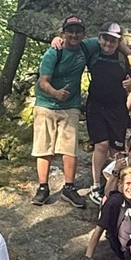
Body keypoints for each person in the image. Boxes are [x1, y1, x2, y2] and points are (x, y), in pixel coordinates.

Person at [32, 15, 92, 209]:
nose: (74, 35)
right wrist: (55, 93)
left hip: (70, 106)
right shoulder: (53, 53)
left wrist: (128, 53)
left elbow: (111, 40)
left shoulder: (86, 47)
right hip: (46, 104)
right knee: (44, 147)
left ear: (83, 34)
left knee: (69, 147)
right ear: (63, 33)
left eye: (78, 31)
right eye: (70, 31)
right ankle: (43, 187)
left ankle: (69, 187)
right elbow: (43, 81)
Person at [84, 22, 131, 206]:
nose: (108, 44)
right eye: (105, 39)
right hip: (96, 106)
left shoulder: (123, 57)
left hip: (117, 108)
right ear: (99, 38)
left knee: (116, 149)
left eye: (113, 41)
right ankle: (95, 186)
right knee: (101, 145)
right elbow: (72, 47)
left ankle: (117, 184)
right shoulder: (92, 53)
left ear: (119, 42)